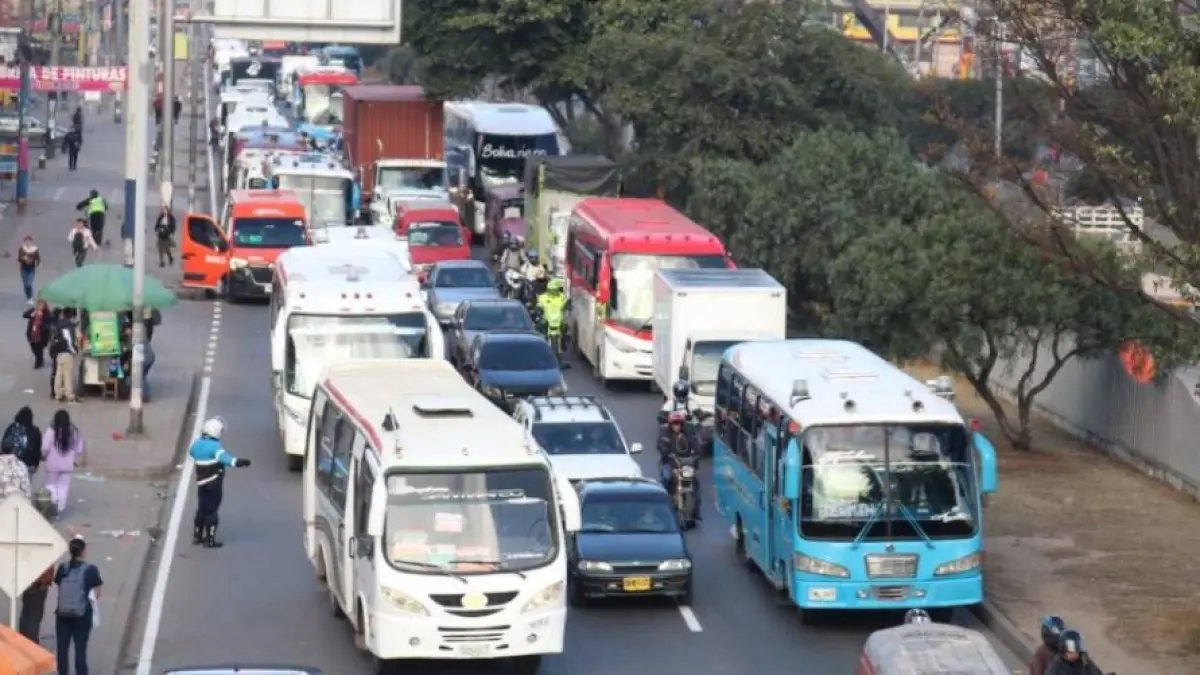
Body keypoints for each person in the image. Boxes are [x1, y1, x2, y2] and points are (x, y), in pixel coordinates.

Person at [189, 418, 251, 548]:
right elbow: (228, 460)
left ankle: (197, 536)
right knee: (212, 510)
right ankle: (210, 540)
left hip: (201, 482)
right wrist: (243, 462)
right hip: (214, 482)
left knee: (202, 508)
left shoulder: (196, 444)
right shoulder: (215, 447)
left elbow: (191, 454)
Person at [54, 536, 102, 675]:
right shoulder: (91, 569)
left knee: (62, 649)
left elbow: (59, 585)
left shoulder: (63, 568)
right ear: (82, 552)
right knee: (80, 648)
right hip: (82, 614)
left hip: (62, 614)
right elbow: (97, 593)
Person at [658, 410, 701, 518]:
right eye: (674, 424)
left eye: (678, 424)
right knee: (667, 479)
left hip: (685, 464)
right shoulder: (665, 433)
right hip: (669, 462)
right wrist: (666, 452)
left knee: (695, 485)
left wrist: (695, 456)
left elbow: (697, 446)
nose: (676, 426)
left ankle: (695, 512)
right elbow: (661, 446)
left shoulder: (688, 434)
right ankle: (663, 502)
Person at [42, 409, 84, 516]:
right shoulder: (74, 432)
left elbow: (45, 448)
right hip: (67, 466)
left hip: (52, 465)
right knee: (63, 487)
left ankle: (52, 506)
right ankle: (60, 509)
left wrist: (45, 457)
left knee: (51, 486)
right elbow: (79, 449)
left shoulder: (51, 431)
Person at [3, 406, 42, 477]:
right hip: (27, 465)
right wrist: (36, 465)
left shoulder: (12, 427)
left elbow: (4, 443)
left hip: (10, 463)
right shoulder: (35, 431)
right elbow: (37, 449)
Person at [19, 564, 53, 645]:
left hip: (35, 589)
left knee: (30, 626)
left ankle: (31, 653)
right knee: (27, 626)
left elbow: (48, 576)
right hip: (33, 590)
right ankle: (30, 652)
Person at [51, 310, 80, 403]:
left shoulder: (58, 324)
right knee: (67, 375)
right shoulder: (69, 327)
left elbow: (54, 338)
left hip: (59, 353)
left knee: (59, 374)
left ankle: (58, 393)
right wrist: (74, 351)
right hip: (67, 353)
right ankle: (69, 395)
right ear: (71, 316)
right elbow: (69, 342)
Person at [536, 278, 567, 347]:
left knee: (566, 328)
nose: (553, 291)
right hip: (547, 318)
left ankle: (564, 342)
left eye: (554, 290)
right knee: (539, 328)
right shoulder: (543, 297)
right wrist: (538, 308)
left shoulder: (562, 297)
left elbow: (566, 304)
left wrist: (568, 306)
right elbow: (539, 304)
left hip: (558, 318)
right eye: (551, 290)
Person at [23, 299, 51, 369]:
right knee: (34, 348)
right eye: (40, 305)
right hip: (32, 333)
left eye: (43, 305)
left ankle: (38, 363)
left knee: (39, 349)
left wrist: (43, 320)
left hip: (41, 334)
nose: (41, 307)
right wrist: (31, 315)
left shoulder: (46, 313)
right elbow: (24, 315)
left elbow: (49, 322)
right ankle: (40, 359)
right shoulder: (33, 310)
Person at [17, 235, 40, 303]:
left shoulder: (35, 249)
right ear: (24, 242)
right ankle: (28, 296)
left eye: (29, 241)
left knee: (29, 283)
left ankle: (30, 297)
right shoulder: (22, 249)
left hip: (31, 269)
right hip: (23, 268)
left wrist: (38, 265)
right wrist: (23, 258)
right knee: (25, 284)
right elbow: (19, 258)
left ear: (31, 242)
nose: (28, 243)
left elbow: (38, 258)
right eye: (26, 241)